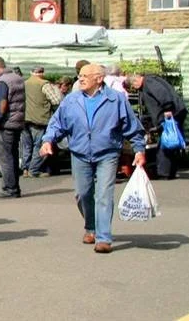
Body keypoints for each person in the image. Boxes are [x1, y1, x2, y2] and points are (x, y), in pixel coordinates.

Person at [41, 63, 147, 254]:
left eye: (84, 76)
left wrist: (139, 150)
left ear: (99, 79)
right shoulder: (71, 100)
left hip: (107, 152)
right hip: (80, 153)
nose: (80, 79)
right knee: (83, 194)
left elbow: (132, 127)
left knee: (104, 195)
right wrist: (48, 140)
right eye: (79, 76)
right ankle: (91, 226)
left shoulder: (115, 100)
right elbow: (58, 123)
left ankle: (103, 237)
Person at [129, 71, 186, 180]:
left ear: (136, 80)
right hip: (174, 112)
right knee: (170, 142)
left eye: (133, 86)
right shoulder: (151, 80)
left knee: (165, 143)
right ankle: (169, 171)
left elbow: (162, 94)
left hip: (169, 114)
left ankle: (164, 172)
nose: (135, 89)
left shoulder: (149, 82)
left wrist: (167, 109)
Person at [0, 57, 26, 199]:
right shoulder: (17, 78)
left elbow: (1, 104)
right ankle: (15, 186)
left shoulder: (2, 81)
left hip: (5, 124)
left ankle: (9, 188)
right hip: (16, 123)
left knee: (5, 158)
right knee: (13, 155)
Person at [23, 67, 58, 177]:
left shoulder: (24, 83)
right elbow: (56, 100)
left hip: (24, 118)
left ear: (31, 72)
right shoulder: (44, 84)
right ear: (42, 73)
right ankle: (33, 170)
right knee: (38, 145)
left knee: (26, 146)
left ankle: (25, 169)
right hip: (39, 119)